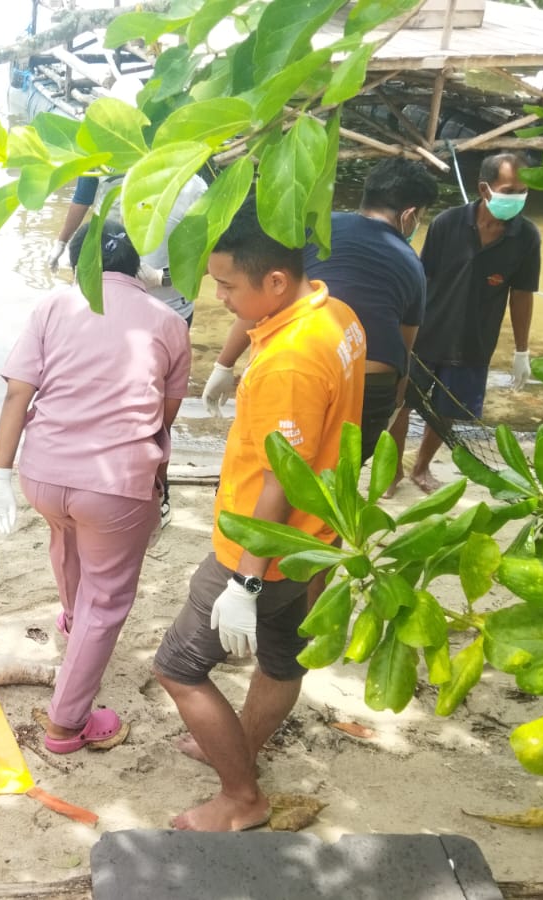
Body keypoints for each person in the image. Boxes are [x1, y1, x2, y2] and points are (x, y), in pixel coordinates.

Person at [152, 202, 365, 832]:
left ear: (274, 282)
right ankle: (240, 743)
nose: (218, 298)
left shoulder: (290, 361)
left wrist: (244, 582)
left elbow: (279, 479)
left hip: (260, 547)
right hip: (315, 539)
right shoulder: (336, 314)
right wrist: (224, 367)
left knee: (179, 669)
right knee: (281, 660)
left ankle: (241, 797)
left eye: (227, 286)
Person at [0, 220, 192, 754]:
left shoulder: (52, 306)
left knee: (65, 536)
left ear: (80, 269)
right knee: (109, 598)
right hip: (115, 486)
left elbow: (17, 394)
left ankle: (74, 618)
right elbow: (165, 416)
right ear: (135, 269)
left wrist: (0, 476)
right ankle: (66, 724)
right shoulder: (169, 321)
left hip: (43, 473)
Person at [200, 158, 438, 462]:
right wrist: (392, 406)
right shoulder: (410, 262)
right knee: (332, 479)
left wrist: (224, 364)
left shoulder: (319, 230)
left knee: (280, 471)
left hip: (303, 366)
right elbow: (404, 348)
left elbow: (262, 295)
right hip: (371, 382)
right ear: (410, 216)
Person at [388, 152, 539, 494]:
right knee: (400, 404)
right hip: (425, 334)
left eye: (522, 190)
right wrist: (398, 328)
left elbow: (522, 294)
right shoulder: (447, 223)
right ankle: (394, 470)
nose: (516, 197)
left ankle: (421, 467)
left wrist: (521, 350)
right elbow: (420, 277)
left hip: (475, 341)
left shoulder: (526, 236)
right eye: (508, 189)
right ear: (485, 189)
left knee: (448, 411)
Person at [48, 173, 207, 326]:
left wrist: (162, 278)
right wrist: (62, 242)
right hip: (119, 303)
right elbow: (83, 198)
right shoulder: (131, 179)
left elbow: (212, 261)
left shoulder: (194, 189)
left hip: (170, 305)